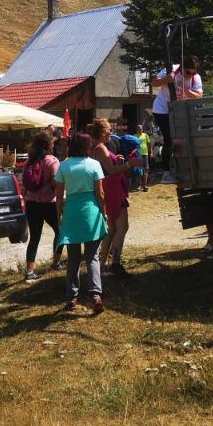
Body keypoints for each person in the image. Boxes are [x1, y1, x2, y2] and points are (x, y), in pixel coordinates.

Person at [54, 132, 110, 314]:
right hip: (90, 212)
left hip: (71, 212)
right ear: (87, 146)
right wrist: (104, 213)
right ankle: (95, 295)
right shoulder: (94, 165)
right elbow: (100, 194)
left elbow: (59, 196)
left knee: (73, 258)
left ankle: (72, 297)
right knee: (92, 256)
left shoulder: (64, 166)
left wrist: (59, 216)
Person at [150, 56, 203, 183]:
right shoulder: (171, 69)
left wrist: (186, 90)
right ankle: (166, 173)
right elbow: (153, 83)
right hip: (162, 109)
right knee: (169, 139)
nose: (190, 75)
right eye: (188, 72)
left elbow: (199, 96)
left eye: (193, 72)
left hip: (179, 110)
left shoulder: (196, 78)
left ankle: (182, 167)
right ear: (182, 68)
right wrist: (166, 79)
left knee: (182, 138)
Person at [91, 119, 133, 277]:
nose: (111, 133)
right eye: (109, 130)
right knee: (122, 227)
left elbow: (109, 167)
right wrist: (130, 164)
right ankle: (115, 263)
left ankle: (101, 265)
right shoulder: (101, 148)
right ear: (102, 132)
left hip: (108, 188)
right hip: (113, 189)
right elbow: (111, 170)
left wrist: (118, 159)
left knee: (112, 229)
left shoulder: (96, 147)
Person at [21, 132, 62, 281]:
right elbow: (57, 183)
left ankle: (29, 271)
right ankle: (56, 263)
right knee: (60, 231)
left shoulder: (30, 161)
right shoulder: (52, 161)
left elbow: (24, 184)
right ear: (49, 145)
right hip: (49, 204)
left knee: (34, 238)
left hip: (32, 203)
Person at [135, 124, 151, 192]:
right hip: (138, 154)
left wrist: (151, 151)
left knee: (146, 169)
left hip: (145, 154)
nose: (140, 130)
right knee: (138, 169)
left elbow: (149, 144)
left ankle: (145, 185)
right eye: (139, 129)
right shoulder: (134, 136)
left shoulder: (145, 135)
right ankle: (139, 185)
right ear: (137, 130)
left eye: (141, 129)